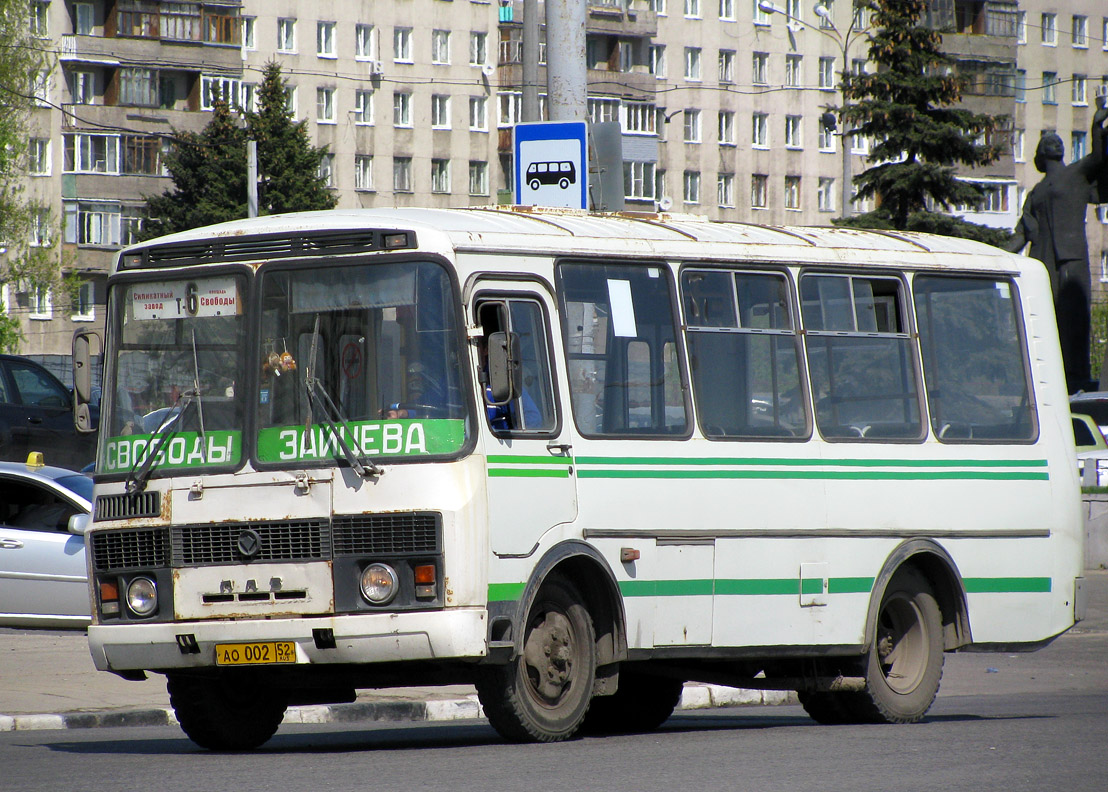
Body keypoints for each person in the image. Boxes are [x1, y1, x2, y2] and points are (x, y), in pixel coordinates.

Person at [1007, 100, 1108, 392]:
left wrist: (1096, 127)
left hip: (1071, 258)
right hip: (1043, 262)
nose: (1052, 147)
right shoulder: (1036, 193)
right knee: (1047, 319)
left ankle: (1077, 375)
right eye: (1047, 145)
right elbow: (1021, 234)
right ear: (1040, 156)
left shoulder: (1076, 174)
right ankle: (1050, 374)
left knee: (1075, 318)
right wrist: (995, 258)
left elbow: (1099, 157)